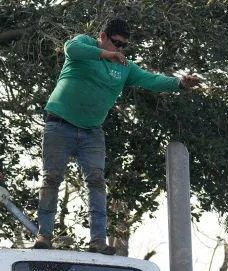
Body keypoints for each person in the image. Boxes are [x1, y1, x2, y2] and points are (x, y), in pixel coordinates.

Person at [34, 17, 201, 255]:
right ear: (102, 36)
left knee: (96, 182)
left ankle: (98, 241)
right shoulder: (84, 45)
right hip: (60, 125)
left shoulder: (124, 66)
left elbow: (150, 79)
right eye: (116, 43)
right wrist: (105, 55)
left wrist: (179, 83)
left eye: (123, 46)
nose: (120, 49)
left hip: (92, 132)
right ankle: (44, 235)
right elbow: (71, 48)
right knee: (52, 178)